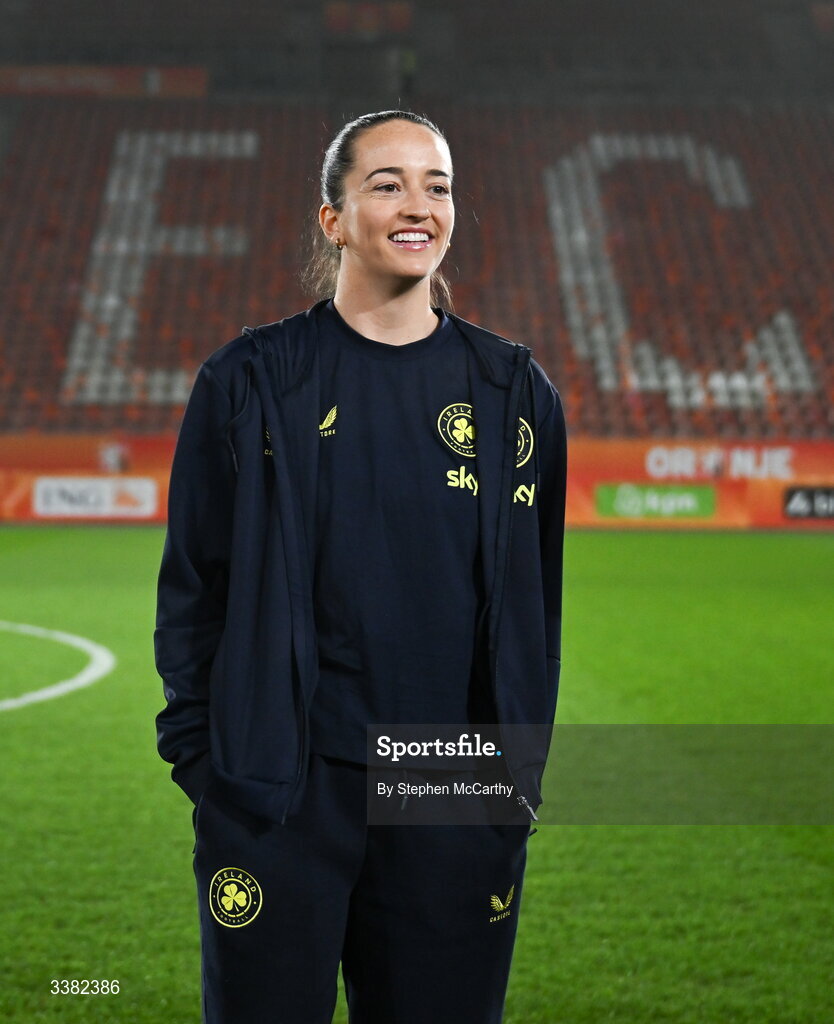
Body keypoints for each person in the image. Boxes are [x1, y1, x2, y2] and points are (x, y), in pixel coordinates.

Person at [154, 109, 567, 1024]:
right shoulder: (251, 381)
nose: (418, 204)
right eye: (387, 183)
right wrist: (208, 764)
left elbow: (539, 610)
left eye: (438, 184)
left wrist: (510, 778)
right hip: (281, 787)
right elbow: (193, 587)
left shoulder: (512, 393)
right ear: (333, 218)